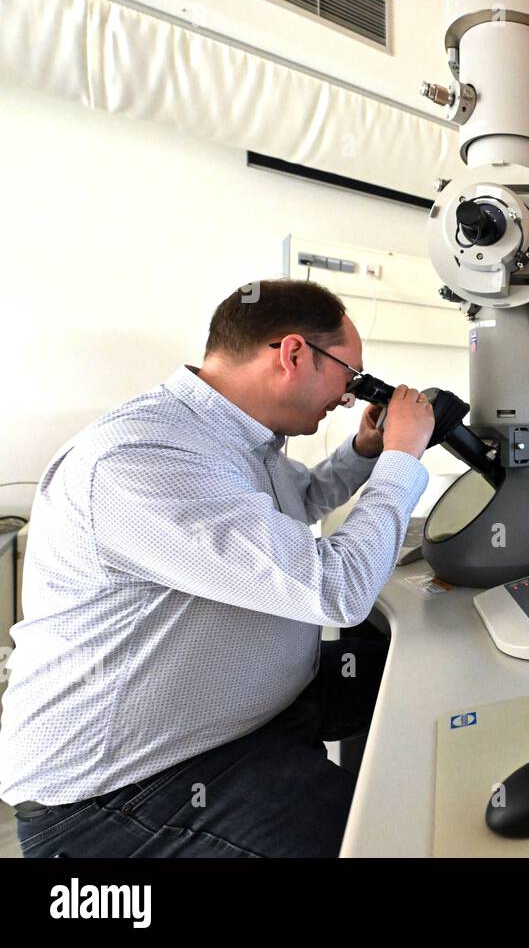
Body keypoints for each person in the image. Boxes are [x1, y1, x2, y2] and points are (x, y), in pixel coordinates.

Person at [0, 279, 434, 857]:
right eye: (348, 377)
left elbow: (296, 501)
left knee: (415, 680)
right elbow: (337, 589)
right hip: (127, 791)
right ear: (294, 353)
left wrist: (366, 453)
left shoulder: (232, 437)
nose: (350, 398)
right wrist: (403, 460)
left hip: (250, 715)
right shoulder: (142, 460)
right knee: (391, 842)